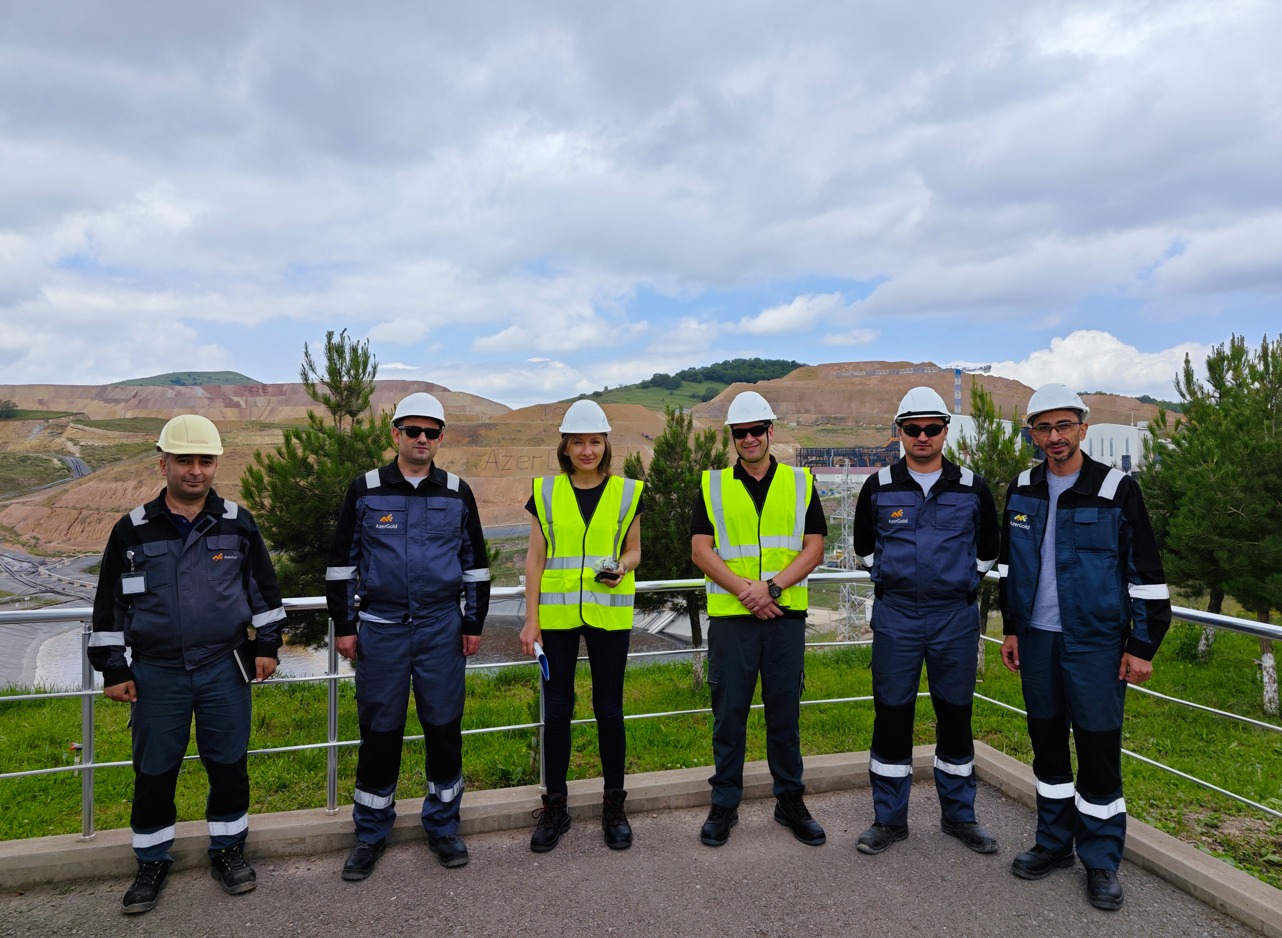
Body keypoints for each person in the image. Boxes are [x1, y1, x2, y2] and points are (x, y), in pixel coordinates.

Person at [89, 414, 286, 915]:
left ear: (216, 464)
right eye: (184, 460)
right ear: (164, 464)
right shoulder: (132, 529)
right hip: (156, 672)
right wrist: (113, 667)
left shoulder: (238, 523)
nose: (195, 470)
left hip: (224, 666)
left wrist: (268, 645)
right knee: (155, 770)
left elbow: (263, 592)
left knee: (228, 763)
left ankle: (229, 851)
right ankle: (151, 861)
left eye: (205, 460)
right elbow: (109, 606)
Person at [999, 383, 1170, 911]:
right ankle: (1053, 844)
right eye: (1043, 427)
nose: (1054, 436)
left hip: (1096, 644)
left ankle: (1100, 860)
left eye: (1063, 426)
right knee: (1047, 745)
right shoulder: (1022, 488)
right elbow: (1009, 567)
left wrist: (1142, 645)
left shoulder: (1116, 489)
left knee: (1097, 752)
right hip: (1037, 641)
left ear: (1082, 428)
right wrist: (1011, 628)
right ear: (1032, 434)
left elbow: (1146, 574)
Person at [326, 391, 490, 880]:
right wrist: (345, 626)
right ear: (395, 433)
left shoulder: (457, 492)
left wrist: (473, 623)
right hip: (381, 629)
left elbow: (475, 565)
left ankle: (443, 825)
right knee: (380, 731)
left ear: (440, 438)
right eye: (413, 431)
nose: (422, 439)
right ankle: (370, 832)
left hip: (441, 629)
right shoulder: (366, 489)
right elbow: (341, 564)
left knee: (443, 727)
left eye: (431, 432)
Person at [851, 387, 1000, 856]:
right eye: (913, 429)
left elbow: (989, 549)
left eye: (932, 428)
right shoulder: (878, 486)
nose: (922, 436)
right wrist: (890, 579)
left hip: (954, 618)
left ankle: (960, 817)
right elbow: (863, 547)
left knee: (955, 715)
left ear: (945, 431)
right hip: (897, 617)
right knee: (892, 716)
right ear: (899, 431)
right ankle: (888, 820)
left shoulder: (972, 487)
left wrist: (962, 583)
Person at [690, 390, 828, 847]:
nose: (748, 439)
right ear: (732, 437)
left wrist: (772, 588)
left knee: (784, 716)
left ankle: (789, 801)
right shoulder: (712, 485)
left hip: (784, 615)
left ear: (770, 431)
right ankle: (724, 803)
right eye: (740, 433)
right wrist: (746, 592)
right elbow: (700, 550)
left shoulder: (800, 482)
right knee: (728, 717)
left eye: (755, 431)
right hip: (732, 620)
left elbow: (814, 546)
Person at [519, 399, 644, 852]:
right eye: (578, 442)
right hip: (556, 618)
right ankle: (555, 807)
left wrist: (623, 567)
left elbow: (634, 550)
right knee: (557, 711)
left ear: (606, 444)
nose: (587, 450)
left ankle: (614, 805)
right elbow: (535, 559)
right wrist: (531, 619)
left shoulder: (628, 492)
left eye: (594, 441)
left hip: (608, 612)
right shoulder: (546, 493)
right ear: (565, 447)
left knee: (609, 710)